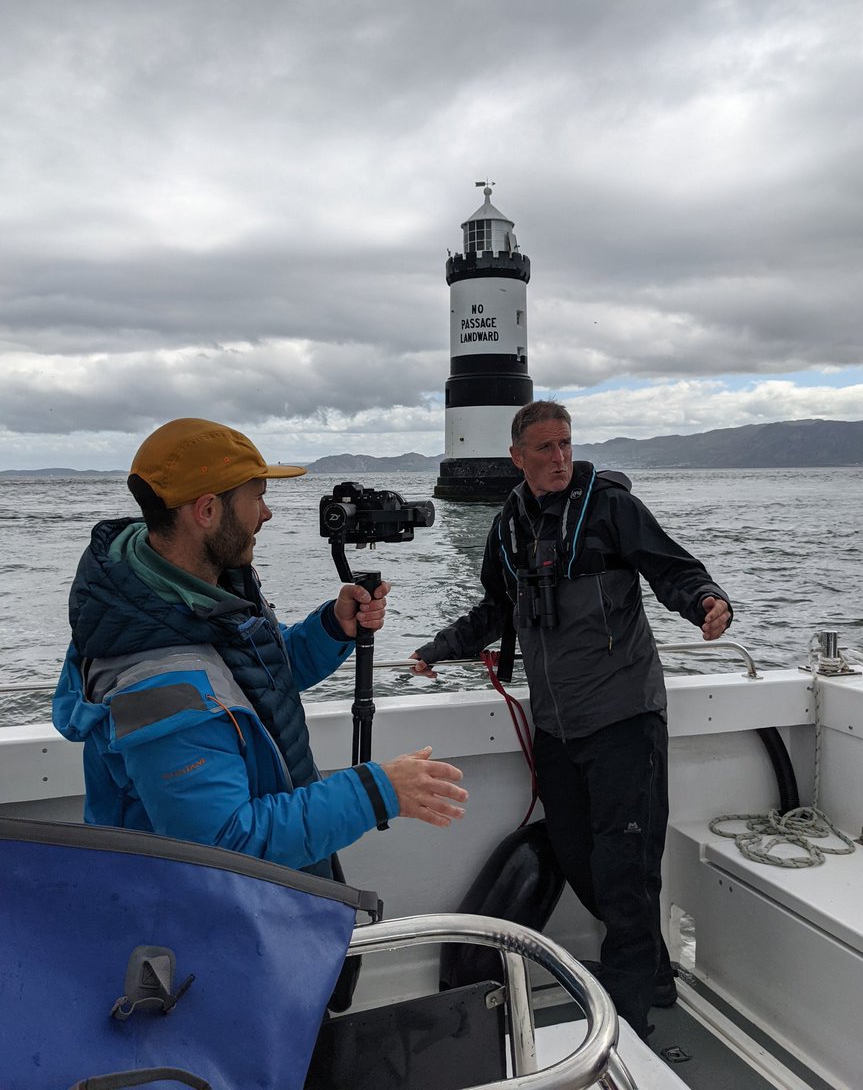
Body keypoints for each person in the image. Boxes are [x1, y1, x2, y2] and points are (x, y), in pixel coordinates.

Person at [411, 400, 731, 1040]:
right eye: (544, 449)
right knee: (578, 856)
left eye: (565, 445)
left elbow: (670, 566)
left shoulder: (610, 505)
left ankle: (628, 1024)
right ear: (517, 457)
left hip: (623, 716)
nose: (559, 459)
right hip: (558, 726)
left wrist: (705, 601)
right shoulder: (508, 527)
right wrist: (437, 648)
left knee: (625, 867)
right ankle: (656, 973)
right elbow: (495, 611)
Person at [53, 417, 467, 883]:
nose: (267, 514)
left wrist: (331, 628)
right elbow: (225, 845)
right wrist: (377, 792)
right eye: (257, 497)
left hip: (271, 894)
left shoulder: (174, 595)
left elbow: (250, 679)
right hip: (211, 927)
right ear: (207, 511)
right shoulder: (158, 684)